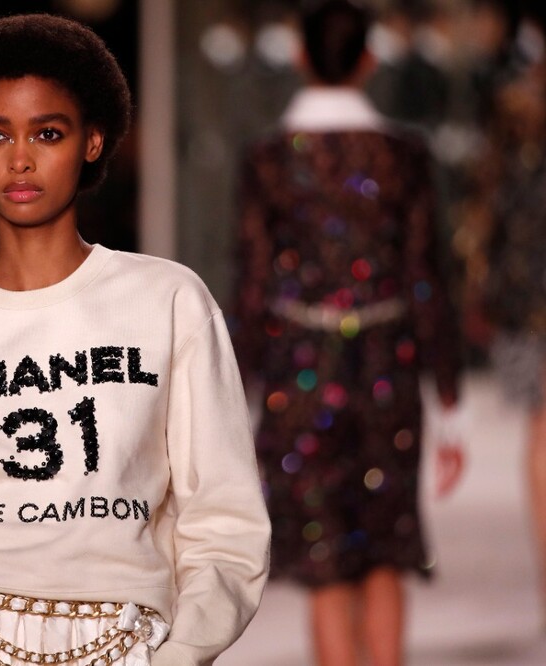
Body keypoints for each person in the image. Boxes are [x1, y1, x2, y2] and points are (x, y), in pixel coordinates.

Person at [0, 13, 270, 666]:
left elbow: (224, 521)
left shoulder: (168, 303)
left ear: (92, 141)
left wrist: (179, 654)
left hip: (127, 646)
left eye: (47, 133)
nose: (20, 158)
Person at [231, 1, 464, 665]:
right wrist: (451, 401)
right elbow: (426, 280)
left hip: (298, 372)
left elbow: (252, 285)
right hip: (388, 366)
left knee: (324, 560)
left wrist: (235, 395)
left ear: (300, 56)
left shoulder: (268, 159)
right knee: (385, 553)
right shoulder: (404, 155)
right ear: (369, 59)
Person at [457, 2, 546, 625]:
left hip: (526, 295)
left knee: (540, 433)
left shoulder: (515, 108)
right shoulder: (512, 108)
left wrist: (481, 283)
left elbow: (489, 201)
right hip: (524, 295)